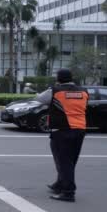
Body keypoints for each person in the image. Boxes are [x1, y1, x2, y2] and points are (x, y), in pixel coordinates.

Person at [35, 69, 88, 202]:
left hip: (62, 130)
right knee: (70, 161)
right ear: (71, 78)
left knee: (64, 162)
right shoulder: (83, 91)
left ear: (58, 79)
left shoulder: (55, 91)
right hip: (80, 129)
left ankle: (68, 192)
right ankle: (60, 184)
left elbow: (40, 99)